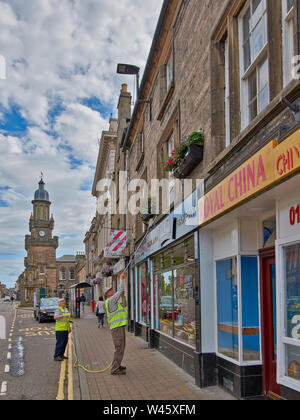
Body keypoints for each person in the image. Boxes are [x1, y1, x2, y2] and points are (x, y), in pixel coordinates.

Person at [105, 275, 127, 375]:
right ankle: (115, 369)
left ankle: (118, 364)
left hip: (119, 327)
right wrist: (121, 279)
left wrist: (122, 296)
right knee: (119, 348)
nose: (112, 290)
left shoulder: (114, 303)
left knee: (121, 347)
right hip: (116, 328)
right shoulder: (110, 301)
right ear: (108, 294)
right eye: (111, 290)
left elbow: (124, 305)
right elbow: (120, 289)